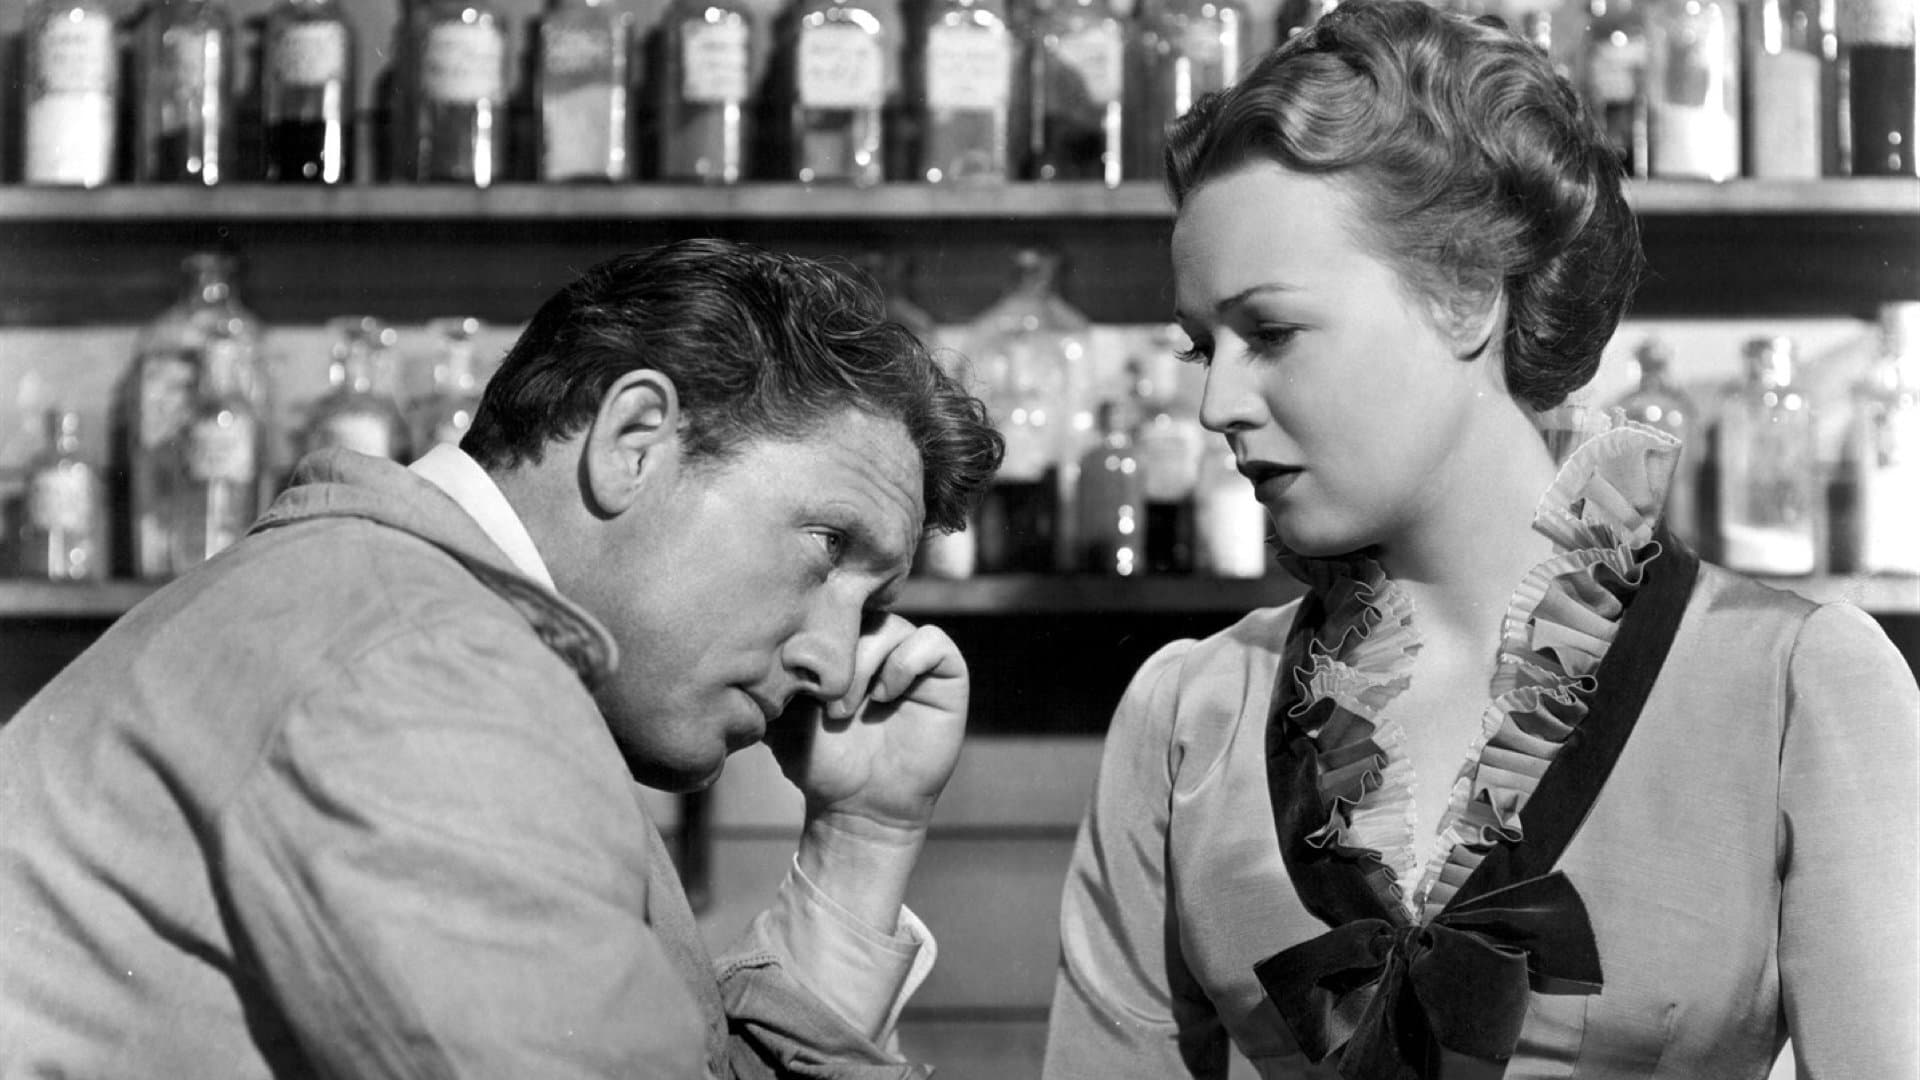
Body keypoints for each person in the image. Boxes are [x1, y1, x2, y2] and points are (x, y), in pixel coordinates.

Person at [1043, 3, 1919, 1078]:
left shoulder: (1795, 684)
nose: (1218, 402)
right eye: (1201, 347)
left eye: (1270, 332)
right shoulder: (1188, 715)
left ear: (1466, 297)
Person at [0, 239, 1002, 1078]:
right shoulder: (424, 666)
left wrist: (859, 840)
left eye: (873, 606)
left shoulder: (394, 614)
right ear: (635, 439)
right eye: (827, 545)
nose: (837, 662)